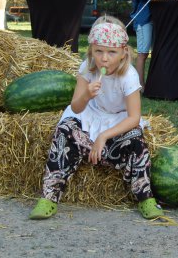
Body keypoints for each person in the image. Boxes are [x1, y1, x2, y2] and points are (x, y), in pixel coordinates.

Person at [29, 20, 164, 220]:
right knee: (64, 130)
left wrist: (103, 137)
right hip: (89, 114)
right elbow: (76, 107)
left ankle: (145, 197)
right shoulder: (87, 68)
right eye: (99, 52)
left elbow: (134, 117)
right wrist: (86, 96)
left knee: (137, 141)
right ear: (91, 50)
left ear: (123, 52)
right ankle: (49, 196)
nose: (104, 59)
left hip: (118, 120)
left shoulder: (129, 75)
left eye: (111, 53)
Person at [129, 0, 159, 89]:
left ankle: (143, 83)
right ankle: (140, 85)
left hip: (150, 19)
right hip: (142, 20)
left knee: (145, 53)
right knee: (142, 54)